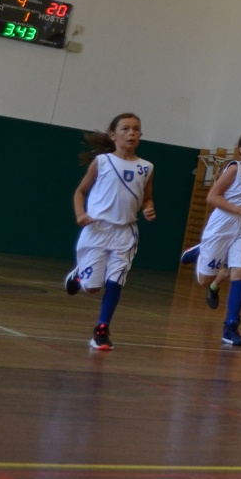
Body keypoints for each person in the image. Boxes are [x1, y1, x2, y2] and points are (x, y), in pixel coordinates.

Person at [65, 113, 155, 351]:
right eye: (125, 129)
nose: (131, 133)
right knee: (92, 288)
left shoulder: (146, 167)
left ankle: (102, 329)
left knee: (116, 281)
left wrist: (149, 208)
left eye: (136, 129)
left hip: (125, 233)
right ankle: (79, 276)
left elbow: (147, 198)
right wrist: (80, 214)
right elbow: (80, 192)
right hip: (97, 229)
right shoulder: (102, 161)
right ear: (113, 135)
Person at [191, 130, 241, 347]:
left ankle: (231, 326)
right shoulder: (235, 168)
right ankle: (200, 250)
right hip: (223, 224)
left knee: (240, 272)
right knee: (205, 280)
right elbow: (212, 197)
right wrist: (237, 209)